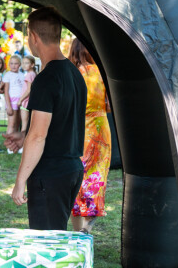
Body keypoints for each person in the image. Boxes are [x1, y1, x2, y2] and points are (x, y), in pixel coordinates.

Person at [4, 6, 87, 231]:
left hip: (50, 172)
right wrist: (23, 136)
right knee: (56, 238)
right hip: (71, 167)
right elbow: (60, 123)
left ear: (33, 36)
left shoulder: (46, 78)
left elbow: (39, 136)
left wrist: (20, 180)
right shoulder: (74, 72)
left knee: (47, 246)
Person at [68, 38, 111, 234]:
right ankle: (91, 213)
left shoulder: (71, 73)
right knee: (96, 174)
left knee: (77, 174)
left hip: (78, 128)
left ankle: (79, 228)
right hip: (101, 128)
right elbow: (109, 105)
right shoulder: (102, 73)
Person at [3, 55, 24, 150]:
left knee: (17, 124)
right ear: (9, 65)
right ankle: (9, 145)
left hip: (21, 101)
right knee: (11, 124)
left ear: (19, 64)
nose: (14, 65)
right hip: (12, 102)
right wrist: (9, 106)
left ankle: (16, 144)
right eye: (11, 63)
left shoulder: (22, 75)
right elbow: (6, 91)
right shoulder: (8, 75)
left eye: (16, 63)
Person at [18, 55, 37, 134]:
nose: (24, 65)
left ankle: (23, 144)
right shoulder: (34, 74)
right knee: (29, 125)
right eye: (23, 63)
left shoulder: (29, 75)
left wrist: (20, 100)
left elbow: (29, 90)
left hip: (26, 102)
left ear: (32, 65)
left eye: (27, 63)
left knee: (24, 126)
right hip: (30, 102)